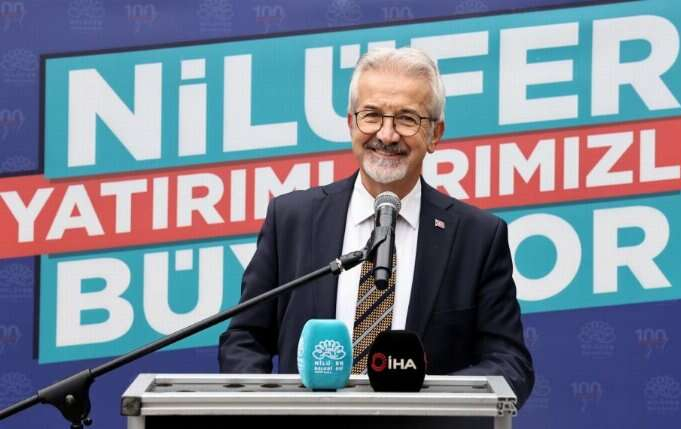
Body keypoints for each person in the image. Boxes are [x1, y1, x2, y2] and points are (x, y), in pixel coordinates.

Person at [219, 47, 534, 406]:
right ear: (351, 124)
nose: (386, 134)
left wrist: (429, 402)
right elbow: (244, 339)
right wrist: (267, 409)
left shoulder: (478, 237)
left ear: (435, 134)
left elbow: (510, 363)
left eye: (407, 119)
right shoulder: (292, 219)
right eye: (371, 116)